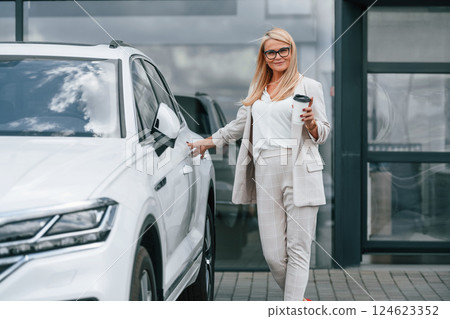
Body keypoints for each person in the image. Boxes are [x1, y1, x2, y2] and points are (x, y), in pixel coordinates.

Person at [186, 27, 330, 301]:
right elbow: (238, 127)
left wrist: (312, 123)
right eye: (271, 52)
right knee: (274, 255)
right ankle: (298, 302)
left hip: (300, 169)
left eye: (283, 50)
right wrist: (207, 142)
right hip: (265, 171)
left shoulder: (309, 87)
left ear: (292, 51)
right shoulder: (258, 90)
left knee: (298, 249)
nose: (278, 56)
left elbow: (323, 132)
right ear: (264, 57)